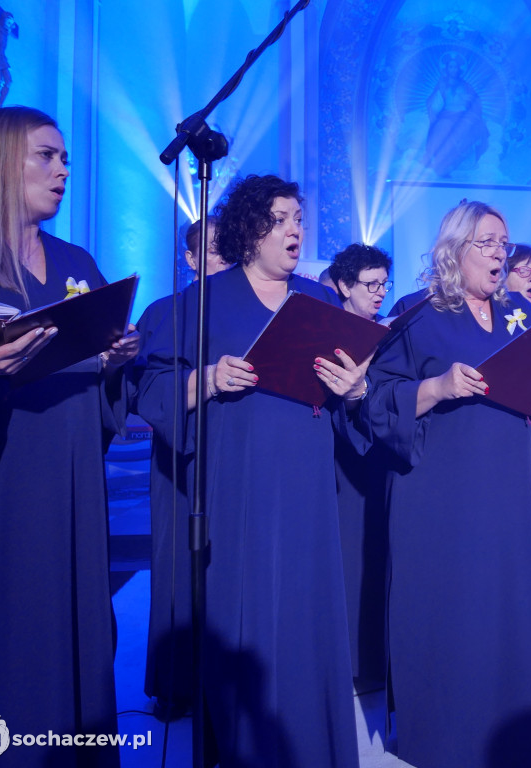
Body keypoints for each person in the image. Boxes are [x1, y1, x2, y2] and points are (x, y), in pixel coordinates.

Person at [138, 175, 363, 767]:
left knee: (305, 616)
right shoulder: (204, 301)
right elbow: (153, 386)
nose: (295, 229)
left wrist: (354, 387)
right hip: (236, 488)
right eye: (280, 219)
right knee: (247, 614)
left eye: (299, 218)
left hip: (309, 488)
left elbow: (347, 396)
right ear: (247, 230)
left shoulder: (317, 302)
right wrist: (208, 377)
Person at [0, 106, 138, 767]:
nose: (63, 170)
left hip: (70, 485)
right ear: (2, 162)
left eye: (66, 158)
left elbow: (106, 384)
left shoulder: (75, 260)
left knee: (72, 636)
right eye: (47, 156)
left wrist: (116, 361)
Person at [365, 200, 531, 768]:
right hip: (440, 491)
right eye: (487, 242)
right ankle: (442, 739)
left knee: (503, 608)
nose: (500, 254)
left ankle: (510, 735)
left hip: (507, 487)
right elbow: (375, 403)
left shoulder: (521, 317)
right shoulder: (417, 314)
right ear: (454, 248)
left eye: (505, 244)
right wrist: (436, 387)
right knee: (450, 607)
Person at [134, 216, 227, 721]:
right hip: (181, 459)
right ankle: (174, 683)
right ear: (191, 259)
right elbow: (147, 391)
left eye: (230, 248)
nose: (224, 259)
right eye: (213, 250)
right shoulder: (168, 311)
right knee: (176, 568)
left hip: (239, 456)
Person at [327, 242, 394, 682]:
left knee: (381, 553)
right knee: (348, 556)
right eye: (370, 284)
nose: (379, 293)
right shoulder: (329, 328)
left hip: (382, 455)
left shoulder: (390, 332)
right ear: (343, 286)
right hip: (340, 457)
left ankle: (378, 658)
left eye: (384, 284)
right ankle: (349, 662)